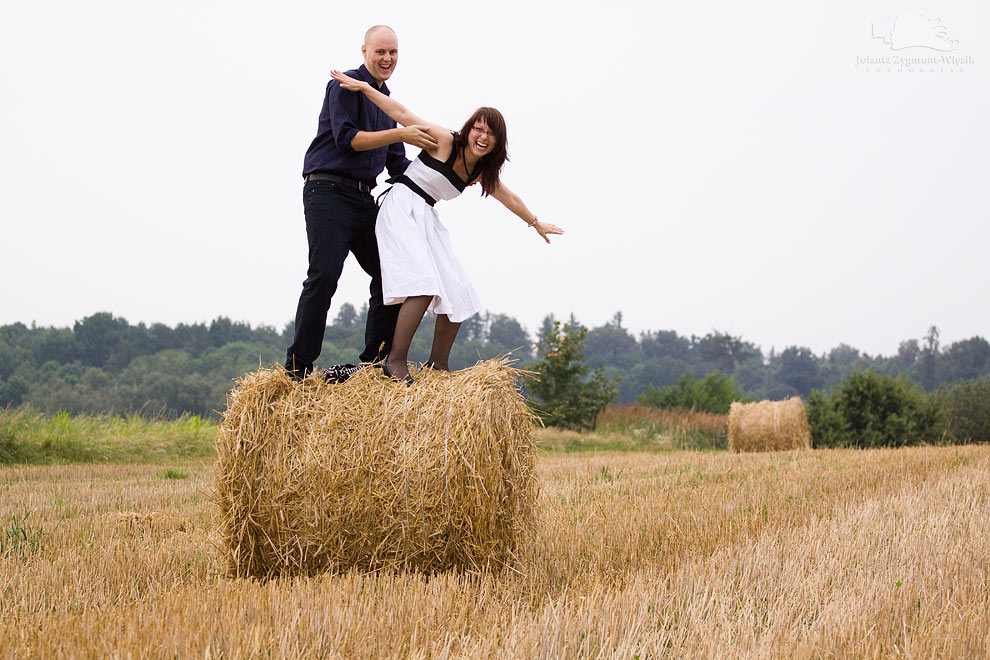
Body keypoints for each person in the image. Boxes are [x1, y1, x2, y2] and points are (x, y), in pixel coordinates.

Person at [330, 69, 565, 383]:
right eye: (479, 129)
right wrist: (364, 88)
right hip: (401, 205)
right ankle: (395, 361)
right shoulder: (444, 141)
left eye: (491, 134)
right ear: (469, 130)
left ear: (497, 142)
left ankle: (437, 365)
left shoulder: (478, 171)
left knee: (457, 288)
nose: (483, 137)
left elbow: (508, 196)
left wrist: (535, 222)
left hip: (425, 215)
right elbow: (400, 113)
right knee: (423, 284)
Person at [284, 26, 438, 381]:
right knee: (324, 275)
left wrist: (450, 170)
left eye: (393, 53)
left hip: (363, 198)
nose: (387, 59)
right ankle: (297, 369)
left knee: (390, 274)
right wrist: (401, 132)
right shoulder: (346, 85)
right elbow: (347, 140)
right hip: (327, 192)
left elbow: (398, 165)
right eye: (380, 52)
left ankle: (374, 364)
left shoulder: (388, 104)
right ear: (365, 50)